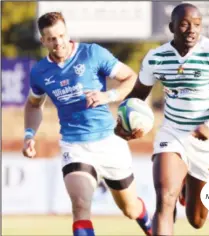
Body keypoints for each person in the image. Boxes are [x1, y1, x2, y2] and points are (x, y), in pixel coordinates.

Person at [115, 3, 209, 235]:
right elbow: (136, 97)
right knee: (165, 198)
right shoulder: (156, 58)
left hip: (207, 141)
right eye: (184, 24)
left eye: (197, 25)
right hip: (172, 133)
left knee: (196, 220)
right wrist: (125, 123)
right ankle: (177, 181)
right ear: (172, 27)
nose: (191, 30)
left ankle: (187, 185)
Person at [22, 12, 152, 236]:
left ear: (67, 32)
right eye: (51, 38)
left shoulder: (92, 53)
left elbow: (130, 77)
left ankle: (151, 228)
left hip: (109, 142)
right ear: (43, 40)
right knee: (80, 208)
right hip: (75, 146)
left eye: (61, 35)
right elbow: (34, 105)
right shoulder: (39, 72)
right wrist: (29, 134)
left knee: (130, 209)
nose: (58, 42)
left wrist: (108, 96)